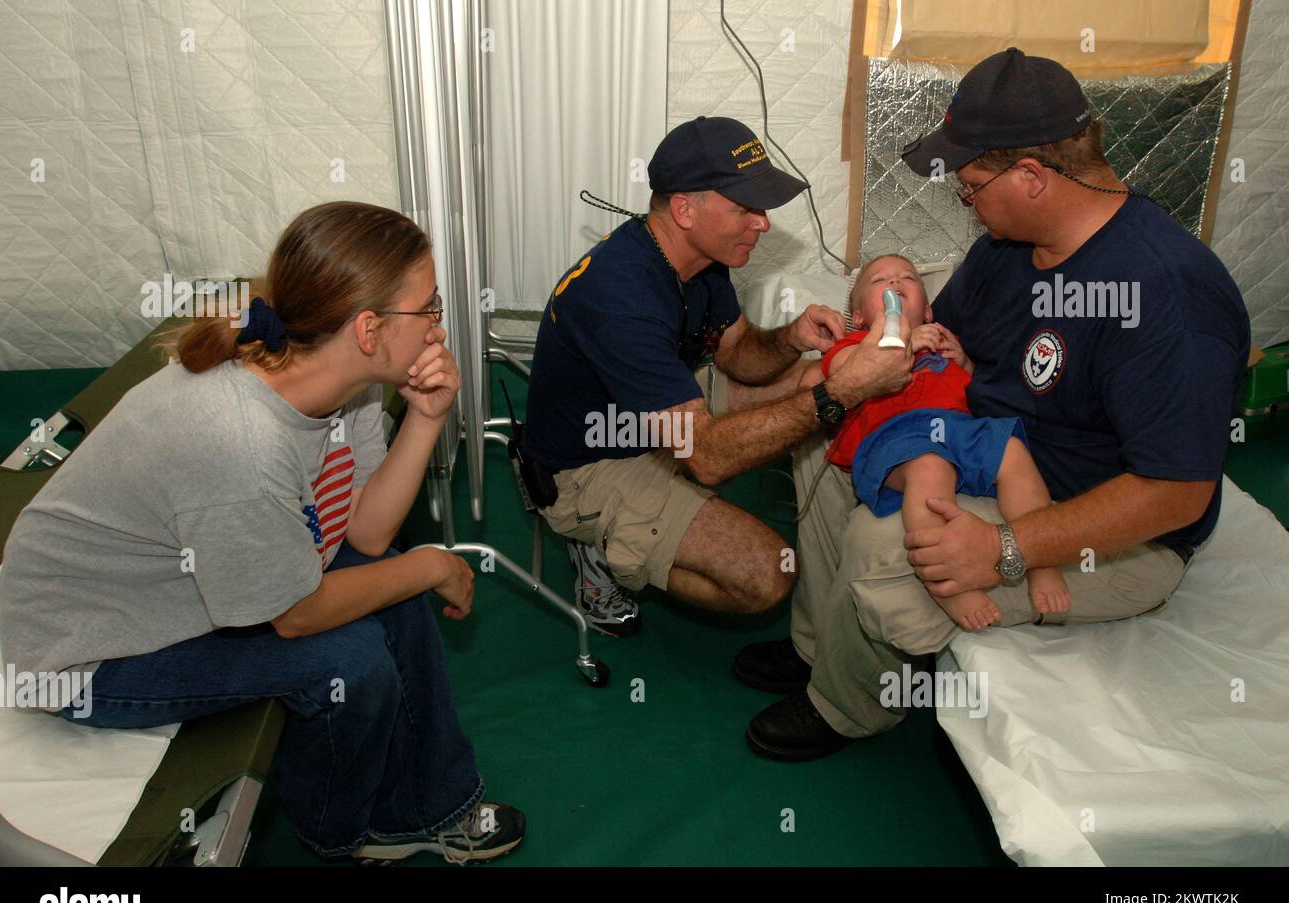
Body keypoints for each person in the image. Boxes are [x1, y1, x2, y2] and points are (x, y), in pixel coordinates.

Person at [736, 48, 1251, 761]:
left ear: (1034, 176)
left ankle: (849, 705)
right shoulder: (1008, 248)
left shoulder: (1168, 296)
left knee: (883, 546)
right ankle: (818, 645)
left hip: (1103, 526)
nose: (964, 200)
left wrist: (1007, 549)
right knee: (826, 445)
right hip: (984, 449)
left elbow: (1177, 493)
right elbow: (941, 346)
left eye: (971, 186)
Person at [0, 201, 525, 864]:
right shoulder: (239, 442)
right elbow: (298, 617)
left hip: (169, 583)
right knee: (351, 659)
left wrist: (425, 418)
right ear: (368, 328)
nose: (438, 324)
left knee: (386, 581)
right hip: (83, 650)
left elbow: (363, 529)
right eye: (429, 306)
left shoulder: (343, 385)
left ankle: (427, 804)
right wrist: (430, 566)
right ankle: (343, 831)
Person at [522, 116, 912, 637]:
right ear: (684, 209)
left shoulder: (702, 258)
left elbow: (737, 355)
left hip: (650, 418)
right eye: (745, 208)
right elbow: (706, 455)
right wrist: (840, 391)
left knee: (811, 375)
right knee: (769, 574)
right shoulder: (621, 299)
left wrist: (791, 338)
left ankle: (630, 530)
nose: (764, 223)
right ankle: (599, 551)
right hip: (589, 463)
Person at [796, 253, 1070, 631]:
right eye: (879, 281)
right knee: (930, 469)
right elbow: (845, 374)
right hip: (897, 437)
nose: (895, 283)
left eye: (907, 278)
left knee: (1013, 451)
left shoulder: (942, 339)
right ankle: (943, 581)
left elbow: (975, 391)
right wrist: (903, 344)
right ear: (858, 317)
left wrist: (965, 363)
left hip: (959, 430)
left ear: (926, 310)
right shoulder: (853, 345)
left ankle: (1040, 558)